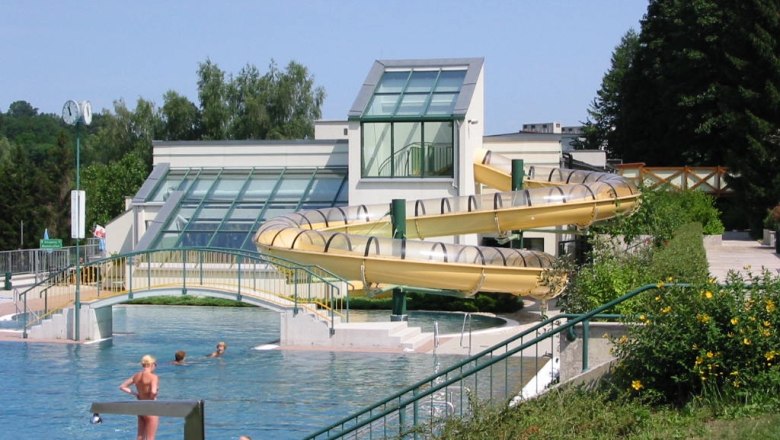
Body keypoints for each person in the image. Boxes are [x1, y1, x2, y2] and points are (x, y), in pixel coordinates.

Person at [119, 354, 160, 440]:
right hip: (150, 407)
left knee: (140, 437)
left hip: (140, 406)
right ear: (152, 364)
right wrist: (154, 394)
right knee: (150, 438)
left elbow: (122, 386)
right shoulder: (153, 377)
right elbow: (152, 391)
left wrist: (136, 394)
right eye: (155, 364)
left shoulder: (136, 376)